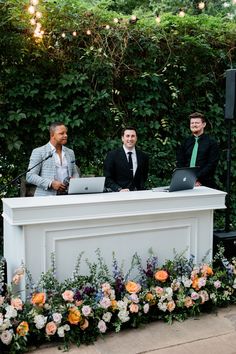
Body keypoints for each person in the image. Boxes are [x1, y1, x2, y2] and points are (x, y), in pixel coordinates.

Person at [26, 122, 79, 196]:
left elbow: (74, 172)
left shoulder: (70, 152)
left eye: (66, 133)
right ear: (52, 135)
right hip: (46, 198)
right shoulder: (39, 152)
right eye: (61, 133)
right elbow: (30, 176)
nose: (65, 135)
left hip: (68, 196)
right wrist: (50, 183)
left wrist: (75, 181)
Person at [176, 112, 219, 188]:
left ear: (204, 124)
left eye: (197, 123)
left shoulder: (212, 143)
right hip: (185, 182)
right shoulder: (185, 142)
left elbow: (211, 165)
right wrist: (187, 179)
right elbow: (180, 162)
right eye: (192, 123)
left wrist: (196, 178)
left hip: (205, 183)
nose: (194, 125)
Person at [104, 127, 149, 192]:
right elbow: (107, 178)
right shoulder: (112, 155)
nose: (130, 139)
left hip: (139, 195)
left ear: (136, 138)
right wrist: (119, 189)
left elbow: (144, 176)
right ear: (122, 138)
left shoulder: (143, 156)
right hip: (119, 195)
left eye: (133, 136)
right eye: (127, 136)